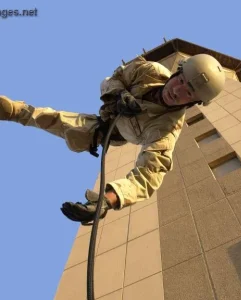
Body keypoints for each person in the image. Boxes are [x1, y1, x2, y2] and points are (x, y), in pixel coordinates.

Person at [0, 54, 226, 223]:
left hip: (117, 134)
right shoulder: (150, 71)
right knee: (57, 119)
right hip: (108, 118)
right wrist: (120, 95)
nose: (177, 91)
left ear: (193, 103)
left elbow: (148, 176)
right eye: (181, 81)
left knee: (73, 129)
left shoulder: (166, 130)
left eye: (188, 93)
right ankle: (11, 111)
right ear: (177, 72)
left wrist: (107, 201)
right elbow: (113, 78)